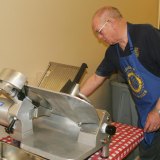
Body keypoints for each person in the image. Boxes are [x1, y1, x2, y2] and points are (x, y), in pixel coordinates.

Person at [80, 6, 160, 160]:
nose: (99, 37)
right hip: (145, 113)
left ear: (110, 22)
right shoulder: (113, 52)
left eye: (99, 31)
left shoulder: (145, 34)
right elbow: (96, 78)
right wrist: (74, 99)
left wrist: (158, 111)